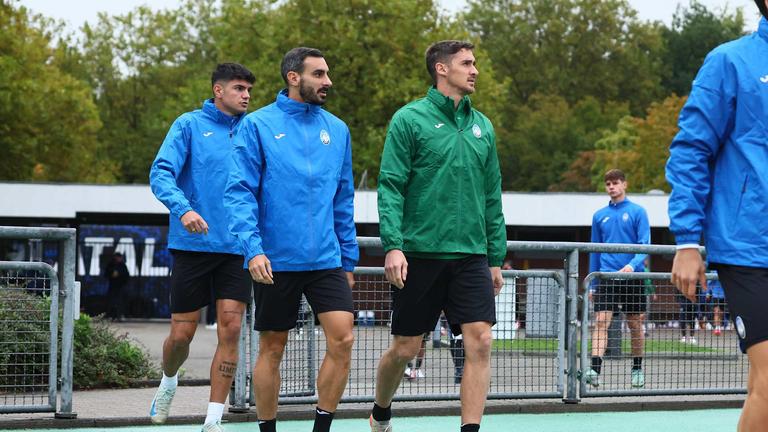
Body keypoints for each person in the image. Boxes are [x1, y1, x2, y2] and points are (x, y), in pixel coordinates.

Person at [370, 40, 506, 432]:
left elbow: (492, 194)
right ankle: (380, 412)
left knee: (479, 341)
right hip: (420, 255)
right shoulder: (409, 120)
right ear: (441, 69)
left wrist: (495, 256)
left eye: (475, 62)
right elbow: (391, 186)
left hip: (471, 256)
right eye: (467, 63)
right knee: (405, 349)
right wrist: (393, 246)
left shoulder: (484, 126)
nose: (475, 70)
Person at [224, 47, 358, 432]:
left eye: (327, 73)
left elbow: (343, 198)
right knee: (272, 347)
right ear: (293, 77)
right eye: (319, 74)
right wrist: (253, 250)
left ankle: (321, 427)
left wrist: (348, 259)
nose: (327, 81)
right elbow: (239, 192)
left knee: (344, 339)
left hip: (326, 260)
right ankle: (268, 428)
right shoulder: (257, 125)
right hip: (274, 261)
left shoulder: (338, 129)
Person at [667, 4, 768, 428]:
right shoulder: (730, 60)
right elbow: (691, 150)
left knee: (762, 384)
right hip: (747, 247)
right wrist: (688, 242)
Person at [148, 63, 255, 432]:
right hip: (192, 246)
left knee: (230, 328)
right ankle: (168, 380)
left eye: (249, 90)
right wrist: (184, 209)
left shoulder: (255, 130)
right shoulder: (188, 125)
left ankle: (213, 418)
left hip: (239, 248)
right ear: (218, 91)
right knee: (182, 335)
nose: (246, 95)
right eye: (239, 88)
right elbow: (160, 173)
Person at [585, 169, 650, 389]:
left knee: (634, 324)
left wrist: (632, 266)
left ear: (624, 184)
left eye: (615, 183)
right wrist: (593, 282)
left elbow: (645, 245)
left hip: (632, 277)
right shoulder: (599, 215)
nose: (611, 187)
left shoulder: (638, 212)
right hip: (607, 277)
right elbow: (594, 250)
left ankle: (637, 368)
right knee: (601, 322)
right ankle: (594, 370)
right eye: (608, 184)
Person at [104, 252, 129, 321]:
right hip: (112, 286)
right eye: (117, 257)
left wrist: (119, 275)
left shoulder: (123, 265)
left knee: (120, 302)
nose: (118, 259)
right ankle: (109, 316)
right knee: (111, 301)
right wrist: (112, 274)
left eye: (119, 257)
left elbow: (126, 276)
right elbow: (106, 274)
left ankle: (120, 315)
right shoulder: (111, 265)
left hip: (120, 287)